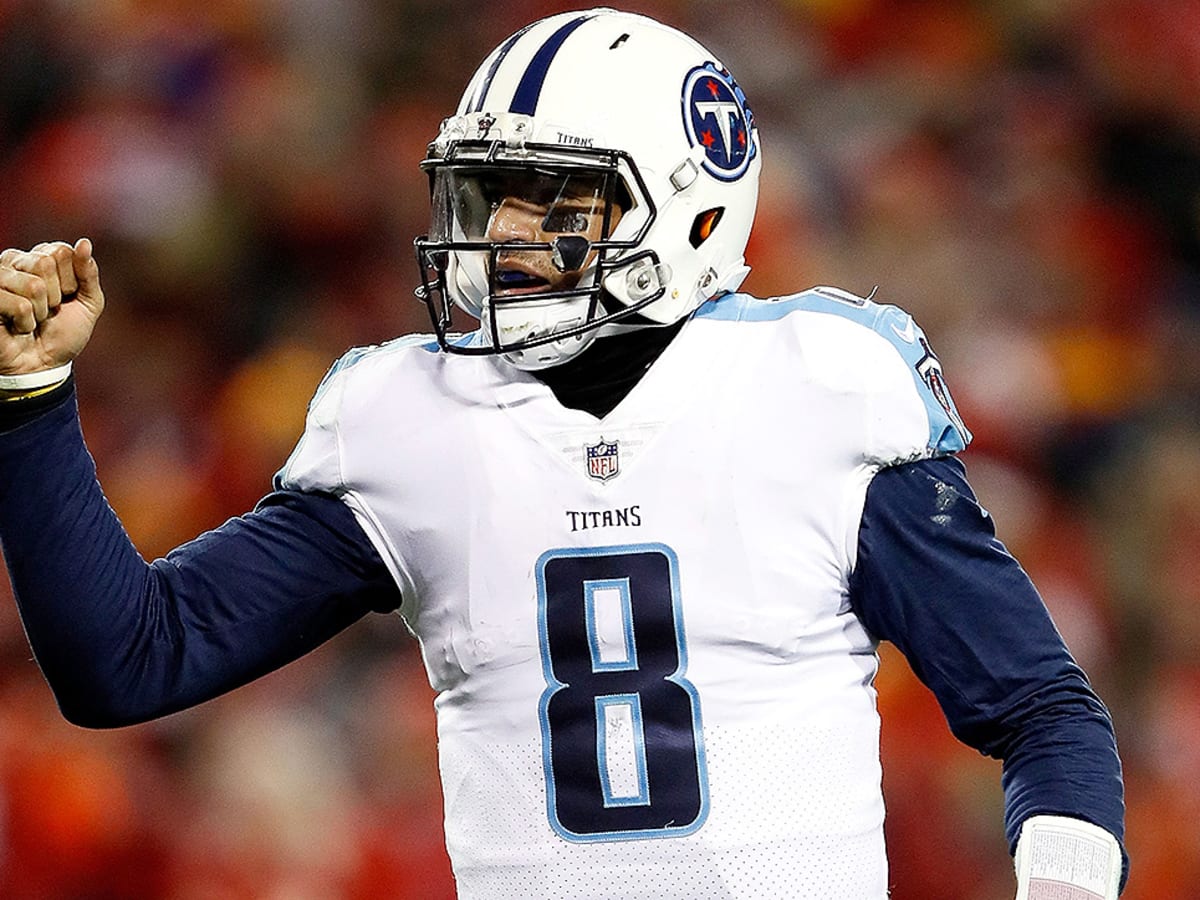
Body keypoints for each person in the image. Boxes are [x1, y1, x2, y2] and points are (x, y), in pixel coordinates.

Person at [0, 9, 1126, 899]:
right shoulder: (412, 418)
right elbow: (129, 661)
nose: (497, 235)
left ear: (687, 213)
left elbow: (1042, 713)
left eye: (550, 198)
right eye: (487, 195)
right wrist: (31, 400)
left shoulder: (817, 390)